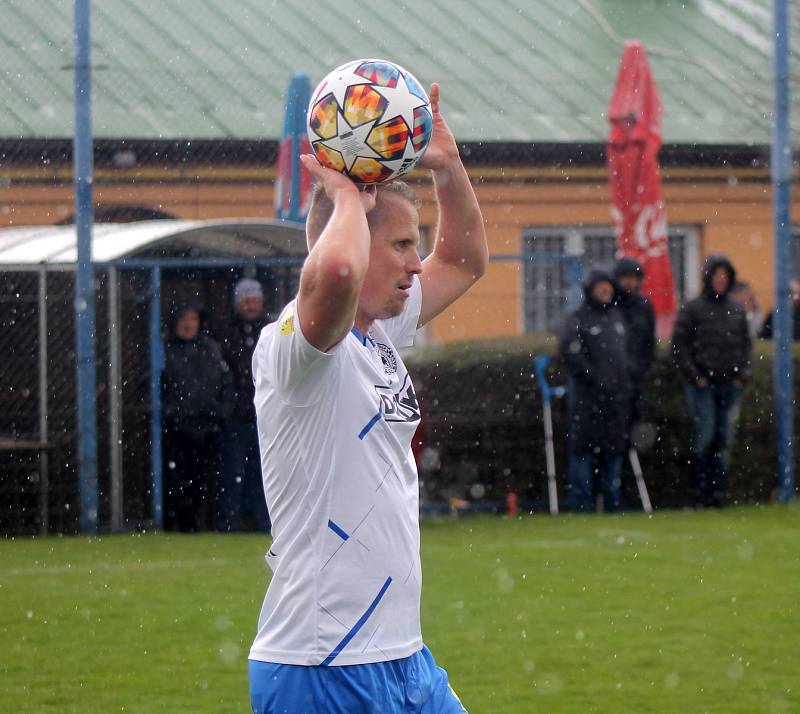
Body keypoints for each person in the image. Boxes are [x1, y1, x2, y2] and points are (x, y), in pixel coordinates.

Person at [247, 83, 487, 713]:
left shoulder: (378, 335)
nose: (417, 263)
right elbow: (338, 273)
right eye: (402, 245)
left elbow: (465, 262)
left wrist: (448, 165)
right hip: (321, 661)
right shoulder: (296, 348)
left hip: (404, 657)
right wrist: (345, 195)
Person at [672, 255, 751, 508]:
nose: (721, 280)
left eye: (725, 276)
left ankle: (715, 493)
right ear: (708, 278)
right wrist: (695, 376)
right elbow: (679, 347)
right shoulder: (693, 309)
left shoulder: (736, 310)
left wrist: (741, 376)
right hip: (702, 385)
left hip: (729, 384)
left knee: (723, 438)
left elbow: (746, 346)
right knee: (704, 437)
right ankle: (699, 492)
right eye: (716, 276)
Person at [559, 269, 631, 513]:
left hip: (616, 398)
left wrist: (620, 383)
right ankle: (583, 502)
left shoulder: (617, 317)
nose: (606, 290)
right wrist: (595, 378)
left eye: (608, 286)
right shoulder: (578, 319)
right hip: (586, 399)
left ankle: (612, 501)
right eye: (601, 286)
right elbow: (571, 354)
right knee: (582, 449)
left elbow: (624, 356)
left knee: (614, 448)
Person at [162, 304, 233, 532]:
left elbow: (226, 384)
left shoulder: (211, 349)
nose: (188, 323)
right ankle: (178, 524)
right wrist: (173, 413)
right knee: (176, 480)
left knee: (204, 481)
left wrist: (220, 412)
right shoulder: (165, 350)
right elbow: (158, 386)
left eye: (192, 318)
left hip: (207, 428)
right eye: (184, 318)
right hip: (178, 428)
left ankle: (201, 524)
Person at [217, 277, 270, 533]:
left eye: (255, 300)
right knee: (233, 473)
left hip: (265, 416)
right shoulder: (226, 333)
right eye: (245, 300)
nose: (250, 306)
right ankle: (229, 524)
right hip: (237, 415)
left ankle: (264, 523)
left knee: (264, 473)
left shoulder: (270, 331)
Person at [613, 257, 656, 422]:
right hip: (613, 378)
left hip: (635, 377)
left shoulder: (644, 306)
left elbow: (649, 342)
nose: (630, 283)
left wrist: (642, 368)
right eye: (626, 277)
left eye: (634, 278)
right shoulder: (610, 305)